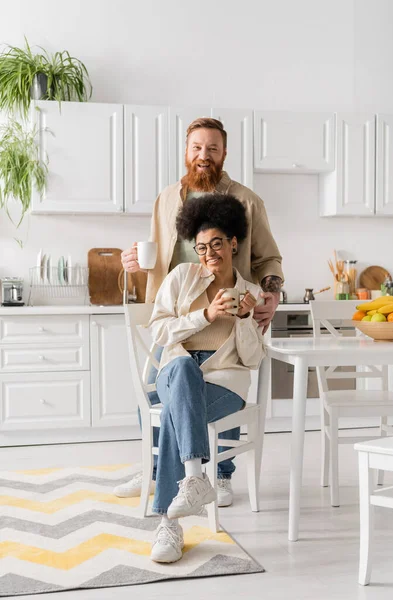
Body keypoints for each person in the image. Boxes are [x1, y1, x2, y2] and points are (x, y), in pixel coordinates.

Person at [115, 117, 284, 506]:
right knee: (157, 388)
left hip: (228, 314)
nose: (203, 156)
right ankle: (165, 472)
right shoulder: (167, 198)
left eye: (212, 148)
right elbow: (159, 254)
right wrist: (136, 263)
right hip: (178, 313)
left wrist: (270, 295)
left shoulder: (246, 201)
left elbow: (269, 259)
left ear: (224, 153)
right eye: (196, 148)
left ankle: (218, 475)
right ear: (186, 151)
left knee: (209, 384)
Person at [148, 194, 266, 563]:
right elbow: (159, 331)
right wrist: (205, 315)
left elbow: (253, 359)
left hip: (224, 383)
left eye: (217, 243)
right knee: (183, 372)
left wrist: (246, 320)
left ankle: (168, 520)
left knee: (174, 414)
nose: (209, 253)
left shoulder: (251, 294)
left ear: (233, 243)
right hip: (178, 369)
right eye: (201, 247)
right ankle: (197, 480)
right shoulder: (182, 277)